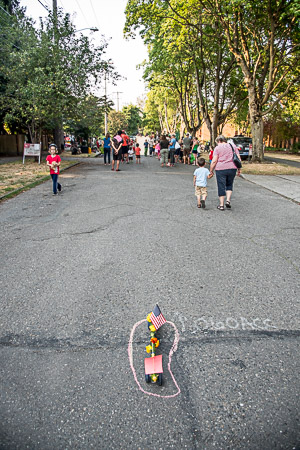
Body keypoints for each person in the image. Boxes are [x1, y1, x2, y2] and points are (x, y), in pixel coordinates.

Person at [210, 135, 241, 210]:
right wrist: (239, 169)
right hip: (232, 168)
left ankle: (221, 205)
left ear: (219, 141)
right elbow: (238, 158)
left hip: (221, 169)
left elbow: (214, 161)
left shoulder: (217, 148)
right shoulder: (233, 146)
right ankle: (228, 200)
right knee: (229, 184)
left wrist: (211, 170)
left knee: (221, 185)